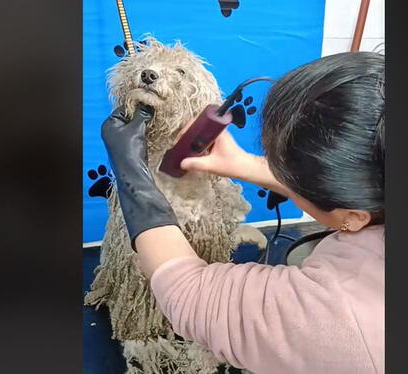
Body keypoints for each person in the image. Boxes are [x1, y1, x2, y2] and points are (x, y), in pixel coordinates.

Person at [101, 51, 385, 374]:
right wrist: (245, 165)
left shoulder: (337, 317)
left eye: (283, 167)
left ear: (355, 215)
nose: (274, 167)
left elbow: (188, 294)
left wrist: (130, 171)